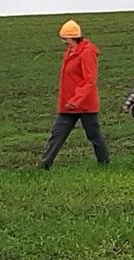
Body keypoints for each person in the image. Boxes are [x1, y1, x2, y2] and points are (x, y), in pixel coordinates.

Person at [40, 20, 110, 168]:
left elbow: (89, 80)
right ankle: (44, 165)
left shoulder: (87, 53)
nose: (63, 42)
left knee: (94, 136)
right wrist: (68, 101)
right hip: (68, 105)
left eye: (65, 39)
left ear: (73, 37)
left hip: (85, 105)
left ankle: (104, 164)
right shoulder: (69, 52)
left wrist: (76, 99)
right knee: (57, 135)